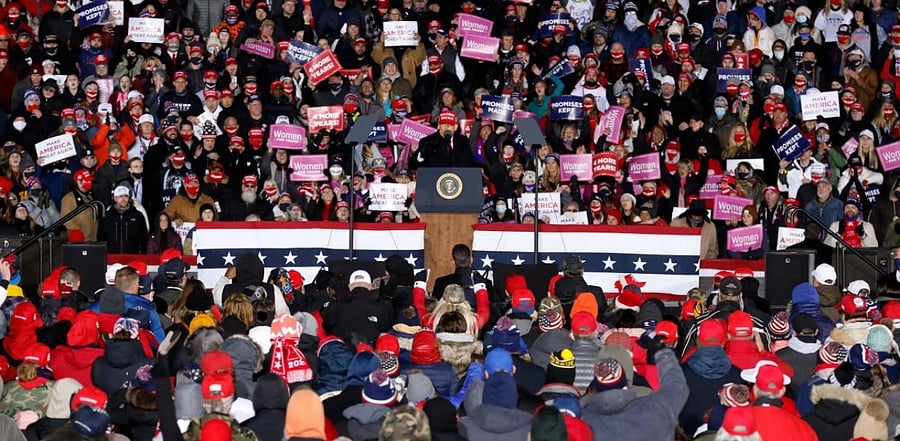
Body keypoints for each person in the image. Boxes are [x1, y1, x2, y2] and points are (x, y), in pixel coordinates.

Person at [99, 185, 148, 254]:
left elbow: (143, 238)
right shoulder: (106, 216)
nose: (123, 199)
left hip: (133, 256)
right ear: (115, 198)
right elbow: (101, 238)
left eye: (126, 196)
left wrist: (141, 253)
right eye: (120, 196)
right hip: (112, 257)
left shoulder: (138, 216)